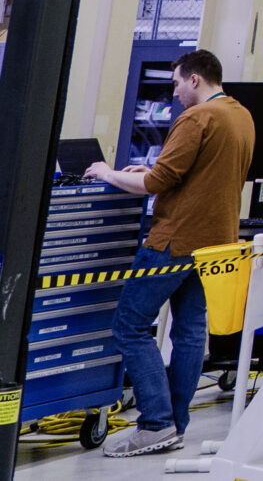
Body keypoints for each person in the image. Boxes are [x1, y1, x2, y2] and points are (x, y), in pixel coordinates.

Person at [86, 49, 254, 458]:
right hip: (217, 243)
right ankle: (174, 425)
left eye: (177, 82)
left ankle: (155, 424)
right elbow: (198, 176)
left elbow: (159, 182)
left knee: (129, 325)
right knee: (190, 333)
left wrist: (107, 173)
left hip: (175, 242)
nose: (175, 92)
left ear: (195, 79)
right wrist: (141, 173)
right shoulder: (240, 115)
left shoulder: (197, 118)